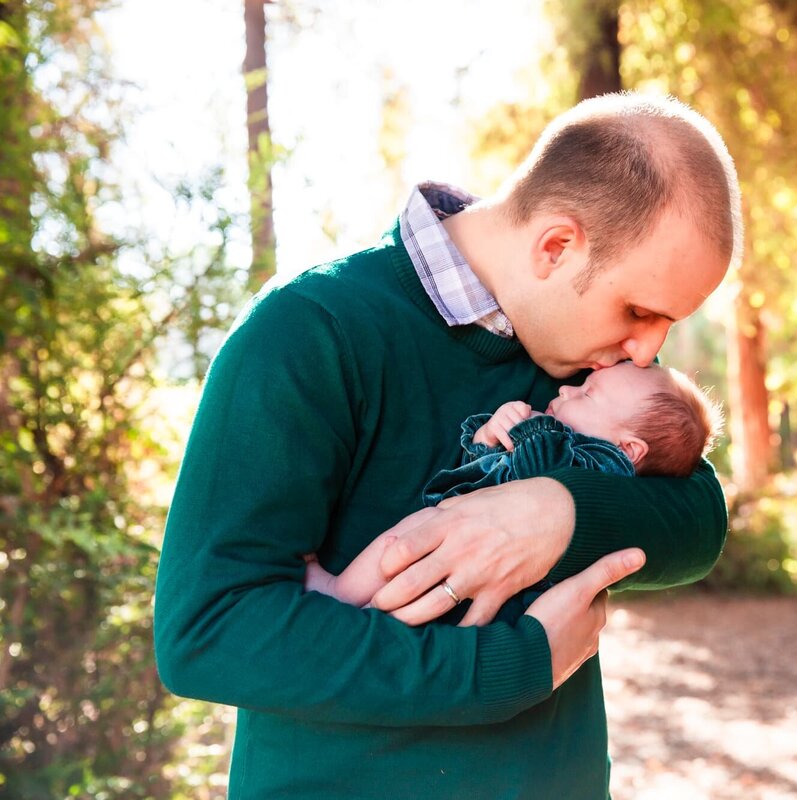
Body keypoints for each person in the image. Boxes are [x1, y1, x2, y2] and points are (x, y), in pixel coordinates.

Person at [154, 91, 742, 799]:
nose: (645, 351)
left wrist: (556, 512)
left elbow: (698, 514)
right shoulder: (309, 331)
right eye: (639, 311)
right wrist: (507, 666)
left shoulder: (585, 366)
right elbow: (209, 631)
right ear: (556, 246)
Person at [305, 361, 724, 617]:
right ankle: (344, 595)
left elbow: (544, 477)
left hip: (492, 574)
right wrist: (489, 436)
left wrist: (532, 428)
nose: (566, 389)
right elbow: (484, 471)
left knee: (403, 546)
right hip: (464, 531)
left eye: (587, 393)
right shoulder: (602, 426)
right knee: (403, 546)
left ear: (629, 449)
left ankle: (340, 594)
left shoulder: (605, 464)